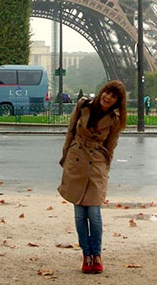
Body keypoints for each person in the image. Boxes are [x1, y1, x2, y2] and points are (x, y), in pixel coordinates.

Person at [58, 80, 127, 275]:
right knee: (80, 214)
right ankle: (86, 255)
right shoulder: (83, 106)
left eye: (113, 97)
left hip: (96, 164)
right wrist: (66, 157)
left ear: (116, 102)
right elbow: (70, 131)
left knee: (94, 214)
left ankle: (96, 254)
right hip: (77, 161)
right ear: (102, 91)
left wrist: (105, 168)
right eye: (107, 92)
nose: (108, 97)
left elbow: (111, 147)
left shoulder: (114, 120)